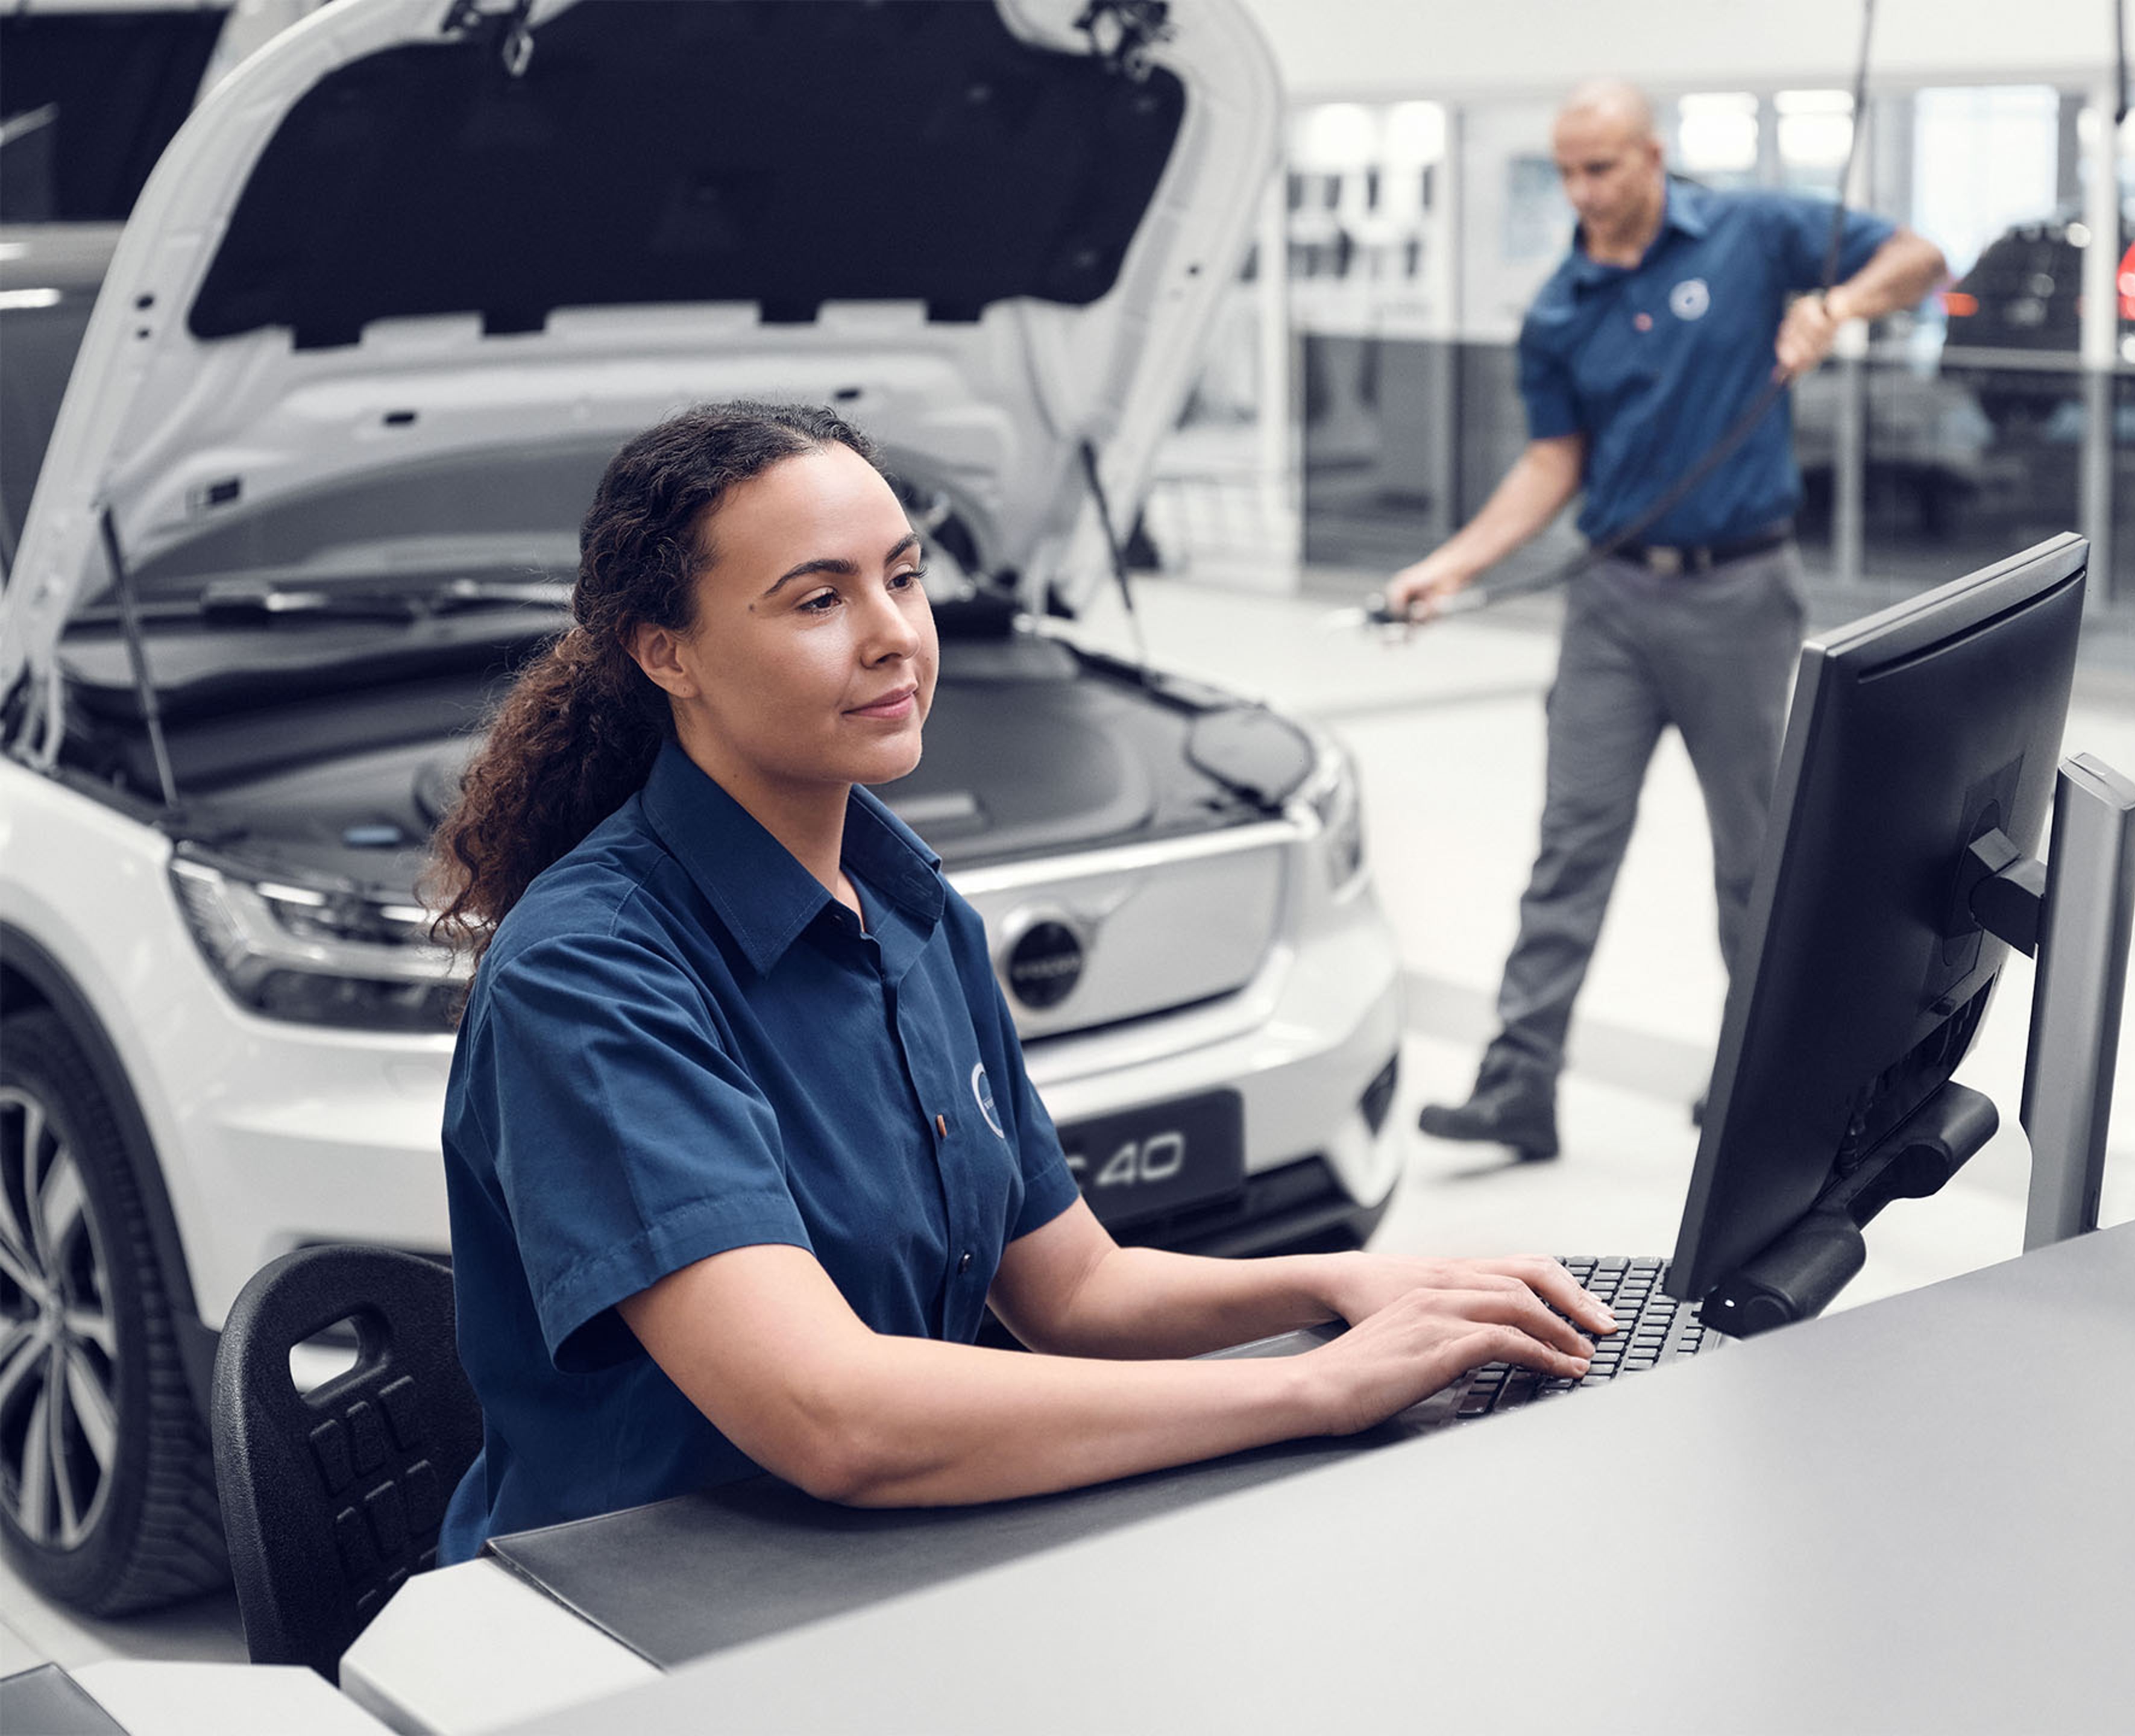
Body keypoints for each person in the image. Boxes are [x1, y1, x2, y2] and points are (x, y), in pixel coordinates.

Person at [423, 400, 1617, 1558]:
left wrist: (1346, 1282)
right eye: (819, 598)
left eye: (903, 575)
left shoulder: (908, 908)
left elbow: (1076, 1289)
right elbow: (833, 1419)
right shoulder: (591, 973)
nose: (893, 631)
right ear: (666, 652)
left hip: (879, 1557)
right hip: (629, 1608)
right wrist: (1313, 1389)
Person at [1390, 81, 1946, 1162]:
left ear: (1651, 157)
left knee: (1755, 857)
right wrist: (1450, 567)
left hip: (1738, 596)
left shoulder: (1753, 232)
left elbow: (1921, 259)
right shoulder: (1562, 307)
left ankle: (1767, 1079)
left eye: (1600, 167)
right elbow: (1557, 460)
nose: (1581, 192)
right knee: (1571, 842)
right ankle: (1519, 1083)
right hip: (1610, 602)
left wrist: (1836, 306)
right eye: (1565, 171)